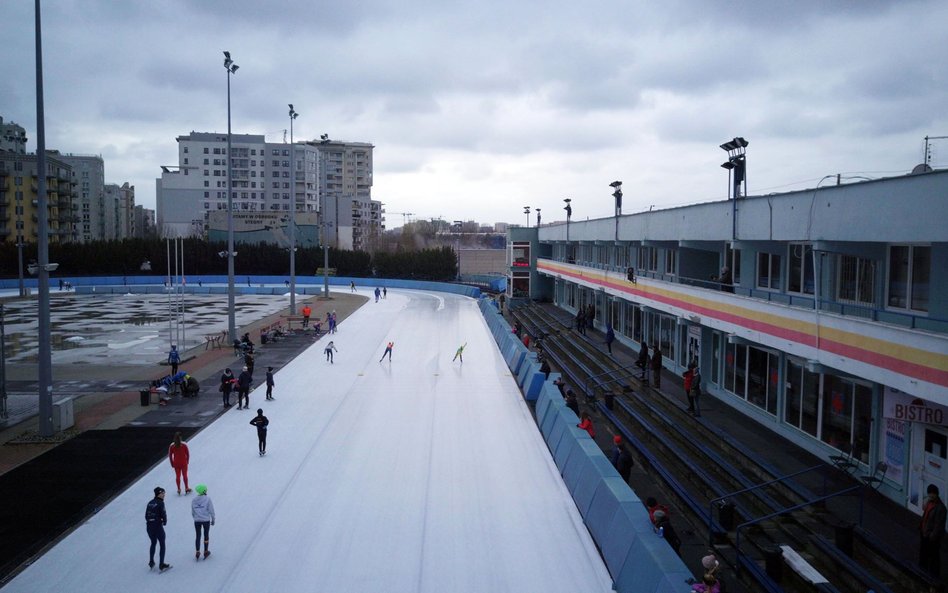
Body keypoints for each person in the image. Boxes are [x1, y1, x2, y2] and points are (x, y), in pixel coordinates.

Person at [920, 483, 947, 577]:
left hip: (932, 537)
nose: (930, 495)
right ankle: (923, 572)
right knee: (924, 554)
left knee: (934, 556)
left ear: (936, 494)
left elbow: (938, 525)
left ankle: (934, 576)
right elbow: (925, 512)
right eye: (929, 493)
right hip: (925, 533)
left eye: (932, 493)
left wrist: (932, 536)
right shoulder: (929, 503)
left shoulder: (941, 508)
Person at [145, 487, 171, 572]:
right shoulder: (160, 503)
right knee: (162, 543)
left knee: (153, 542)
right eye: (163, 493)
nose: (164, 495)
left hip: (149, 526)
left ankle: (151, 561)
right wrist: (165, 521)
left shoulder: (150, 503)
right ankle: (161, 564)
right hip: (157, 526)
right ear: (159, 494)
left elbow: (146, 516)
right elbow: (163, 513)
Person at [191, 484, 215, 560]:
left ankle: (197, 551)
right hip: (206, 520)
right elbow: (211, 510)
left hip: (197, 520)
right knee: (206, 535)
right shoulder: (207, 499)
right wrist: (213, 519)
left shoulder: (194, 500)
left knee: (198, 535)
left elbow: (193, 511)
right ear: (204, 491)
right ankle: (205, 551)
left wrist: (195, 518)